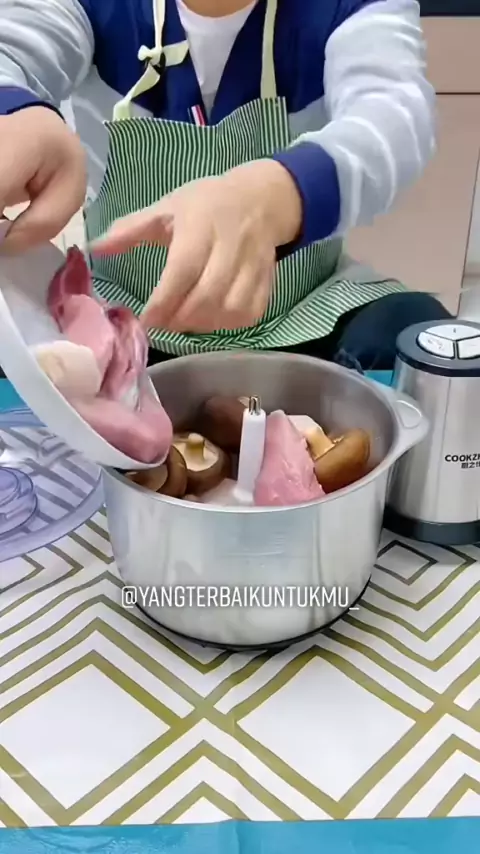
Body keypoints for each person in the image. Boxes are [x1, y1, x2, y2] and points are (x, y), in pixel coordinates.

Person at [0, 0, 451, 373]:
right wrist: (17, 112)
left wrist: (277, 194)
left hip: (306, 312)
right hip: (122, 315)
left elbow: (395, 115)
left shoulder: (348, 8)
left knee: (423, 341)